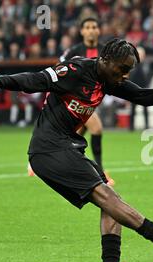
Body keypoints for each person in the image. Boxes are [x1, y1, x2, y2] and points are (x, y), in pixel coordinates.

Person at [0, 38, 153, 262]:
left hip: (67, 147)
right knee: (107, 196)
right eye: (122, 69)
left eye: (128, 71)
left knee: (110, 198)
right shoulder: (74, 71)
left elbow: (144, 96)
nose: (124, 75)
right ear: (105, 60)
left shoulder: (108, 79)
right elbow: (35, 80)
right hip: (49, 150)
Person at [60, 17, 114, 185]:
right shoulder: (73, 52)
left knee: (74, 138)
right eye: (87, 27)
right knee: (96, 129)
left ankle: (64, 166)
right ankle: (101, 174)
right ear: (82, 31)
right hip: (76, 100)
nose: (91, 30)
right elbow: (61, 71)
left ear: (98, 30)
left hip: (95, 100)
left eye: (94, 27)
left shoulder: (105, 51)